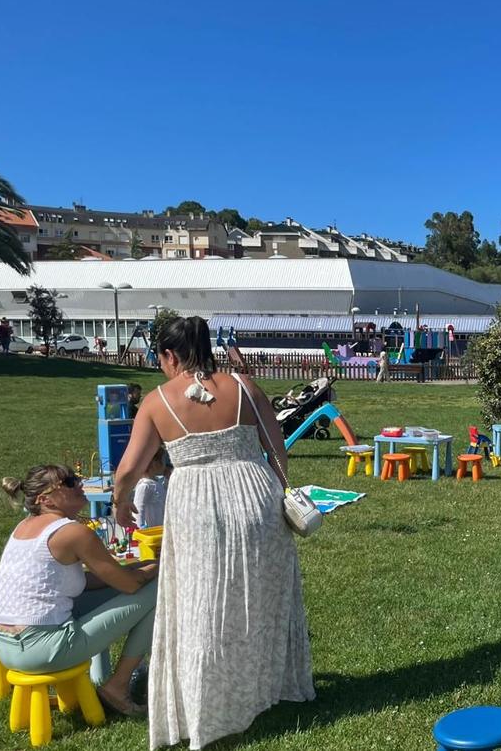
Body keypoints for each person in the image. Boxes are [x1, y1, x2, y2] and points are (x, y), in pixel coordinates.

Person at [111, 316, 314, 750]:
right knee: (258, 599)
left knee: (202, 603)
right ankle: (260, 688)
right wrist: (280, 488)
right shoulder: (243, 386)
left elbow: (129, 467)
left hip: (197, 503)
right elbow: (275, 446)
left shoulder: (156, 401)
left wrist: (120, 500)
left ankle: (209, 702)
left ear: (169, 355)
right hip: (255, 494)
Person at [0, 465, 158, 717]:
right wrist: (160, 565)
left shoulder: (25, 527)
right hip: (44, 650)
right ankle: (118, 685)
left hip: (6, 646)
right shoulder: (72, 533)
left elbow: (82, 583)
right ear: (44, 499)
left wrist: (137, 567)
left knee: (110, 591)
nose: (79, 483)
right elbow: (130, 585)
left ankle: (100, 677)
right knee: (158, 589)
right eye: (69, 482)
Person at [133, 452, 168, 529]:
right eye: (162, 460)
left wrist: (167, 479)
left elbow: (164, 494)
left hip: (160, 530)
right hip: (151, 532)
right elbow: (138, 511)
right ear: (153, 463)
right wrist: (140, 531)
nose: (165, 464)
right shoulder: (145, 486)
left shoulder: (157, 482)